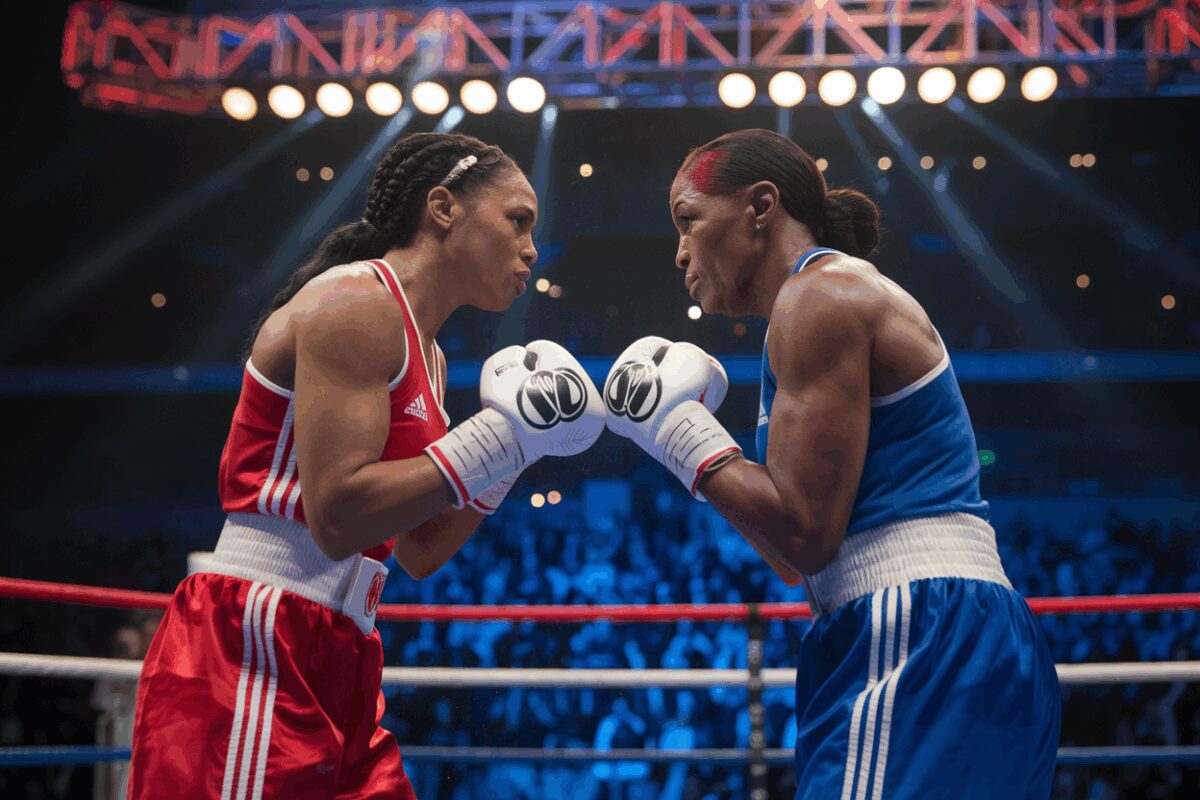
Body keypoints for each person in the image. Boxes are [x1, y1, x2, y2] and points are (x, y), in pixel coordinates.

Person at [128, 132, 605, 799]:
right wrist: (499, 436)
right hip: (258, 637)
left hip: (344, 641)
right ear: (443, 208)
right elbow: (338, 517)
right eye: (517, 220)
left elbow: (419, 549)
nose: (531, 247)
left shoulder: (429, 355)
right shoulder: (355, 300)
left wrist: (517, 450)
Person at [603, 128, 1059, 798]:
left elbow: (805, 535)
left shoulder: (820, 296)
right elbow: (794, 559)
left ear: (761, 206)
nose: (680, 251)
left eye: (688, 220)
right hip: (941, 628)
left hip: (917, 631)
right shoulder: (819, 302)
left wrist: (675, 429)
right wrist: (682, 437)